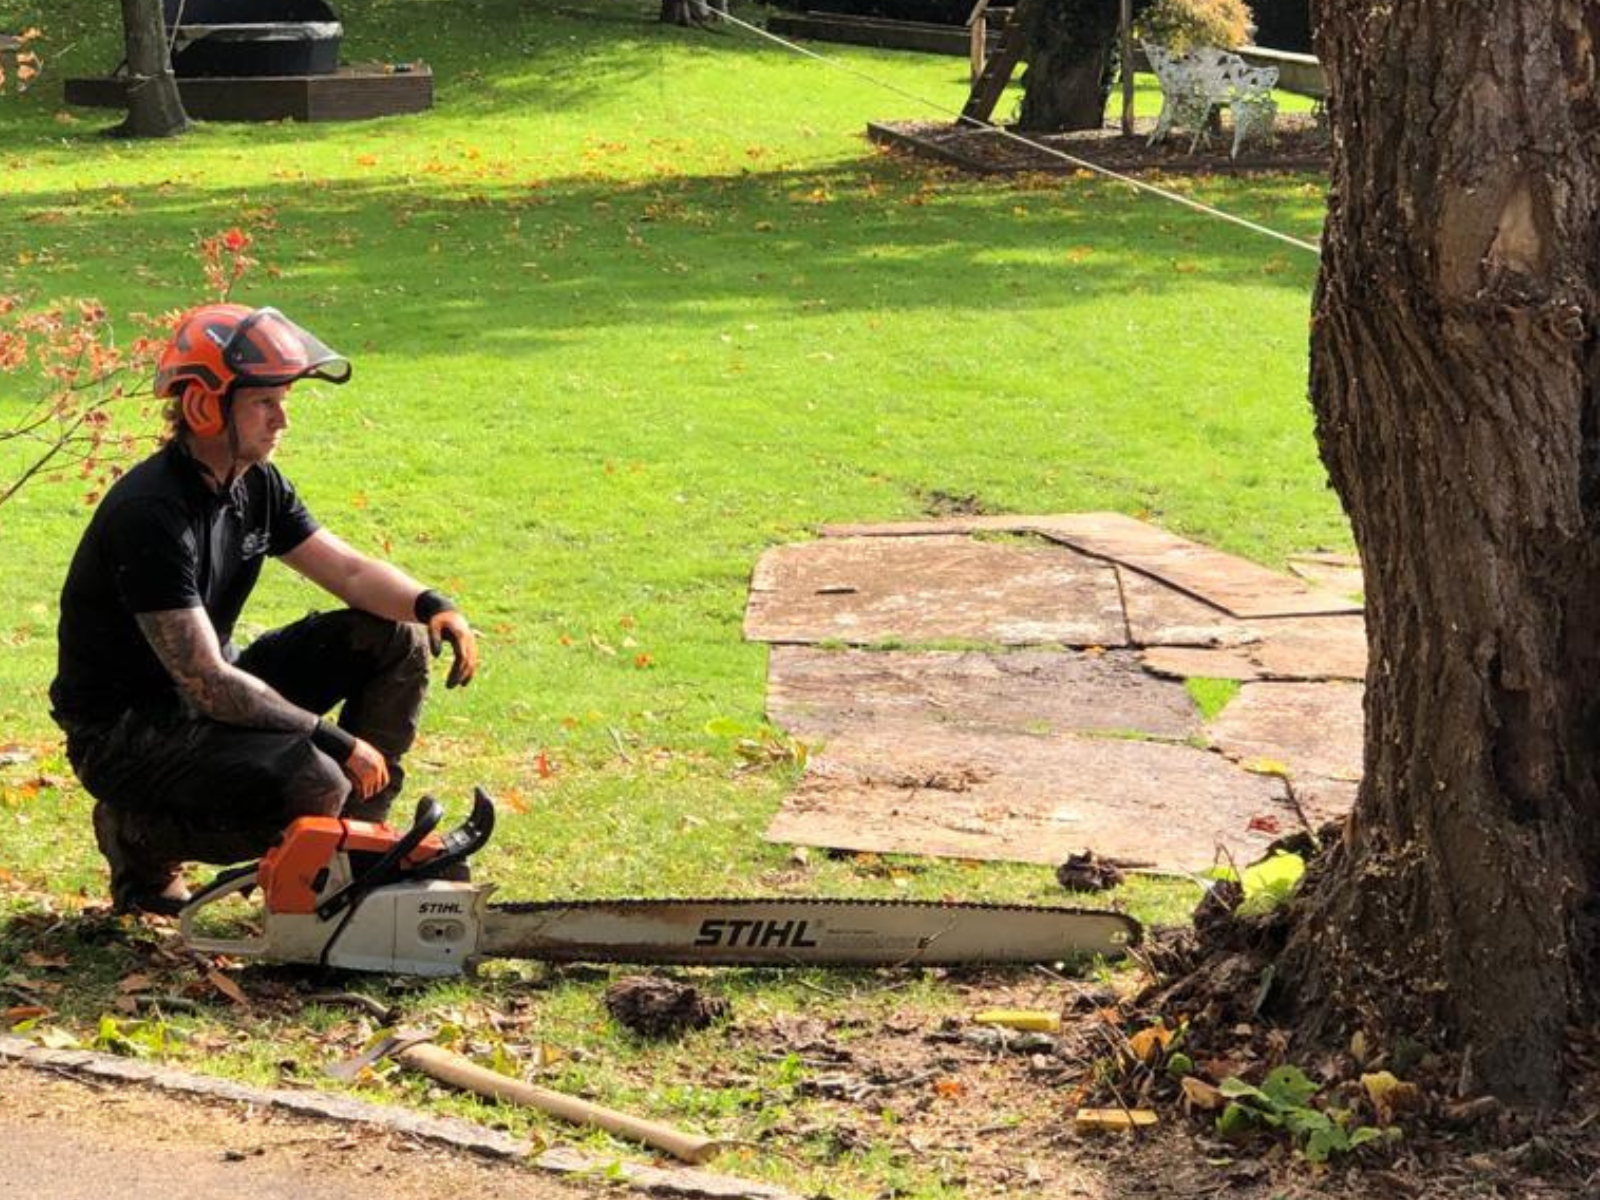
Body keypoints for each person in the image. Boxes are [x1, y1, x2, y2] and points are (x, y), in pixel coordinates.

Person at [49, 303, 480, 916]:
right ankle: (137, 835)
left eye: (284, 401)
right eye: (264, 404)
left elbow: (351, 573)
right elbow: (209, 682)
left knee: (399, 638)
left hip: (205, 701)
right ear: (203, 407)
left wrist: (433, 603)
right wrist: (334, 738)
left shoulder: (255, 483)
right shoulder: (150, 513)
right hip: (126, 734)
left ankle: (350, 864)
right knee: (318, 778)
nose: (283, 421)